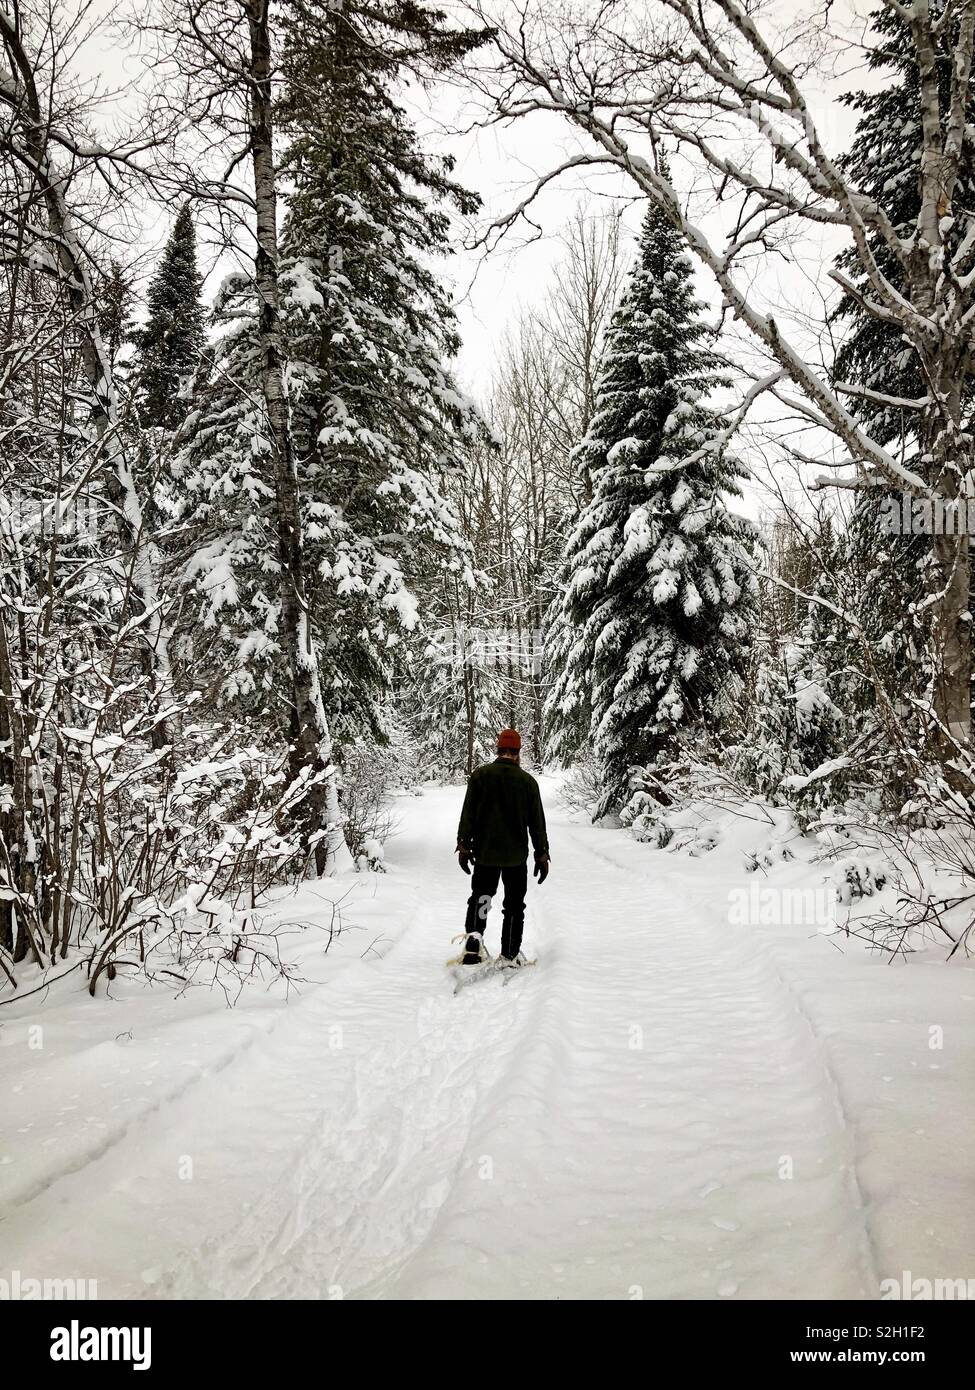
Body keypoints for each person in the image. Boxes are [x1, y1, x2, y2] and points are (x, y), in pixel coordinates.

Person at [454, 728, 550, 969]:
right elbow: (537, 823)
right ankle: (509, 954)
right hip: (515, 859)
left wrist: (464, 847)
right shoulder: (527, 782)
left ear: (498, 750)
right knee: (514, 906)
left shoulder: (480, 776)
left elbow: (468, 815)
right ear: (518, 753)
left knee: (482, 898)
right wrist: (542, 854)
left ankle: (473, 950)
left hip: (485, 855)